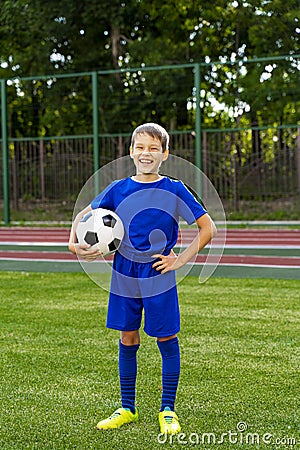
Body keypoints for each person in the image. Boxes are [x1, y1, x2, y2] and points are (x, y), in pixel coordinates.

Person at [68, 123, 216, 435]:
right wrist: (73, 242)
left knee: (165, 337)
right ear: (131, 152)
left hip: (157, 273)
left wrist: (180, 260)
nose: (145, 153)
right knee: (128, 337)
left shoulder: (175, 189)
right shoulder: (118, 188)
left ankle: (167, 409)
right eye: (140, 147)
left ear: (165, 154)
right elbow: (84, 214)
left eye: (152, 148)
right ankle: (127, 407)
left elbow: (208, 229)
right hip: (124, 272)